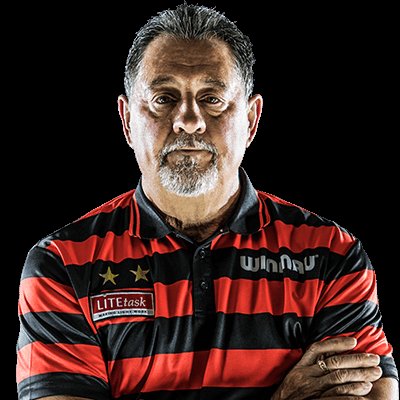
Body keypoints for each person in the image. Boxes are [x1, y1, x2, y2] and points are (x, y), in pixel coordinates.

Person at [16, 3, 398, 400]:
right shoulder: (63, 263)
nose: (189, 120)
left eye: (212, 98)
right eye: (163, 98)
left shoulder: (331, 255)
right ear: (127, 120)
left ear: (251, 120)